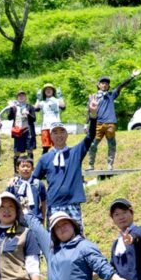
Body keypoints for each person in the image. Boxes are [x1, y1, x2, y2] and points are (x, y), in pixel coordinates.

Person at [33, 95, 100, 224]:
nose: (59, 135)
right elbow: (34, 179)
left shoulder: (75, 152)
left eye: (62, 132)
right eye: (55, 132)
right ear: (51, 136)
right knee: (54, 241)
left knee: (76, 239)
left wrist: (93, 114)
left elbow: (91, 135)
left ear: (67, 134)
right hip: (53, 204)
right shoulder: (45, 158)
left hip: (72, 204)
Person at [87, 69, 141, 171]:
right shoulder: (93, 97)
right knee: (93, 144)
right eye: (102, 83)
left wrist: (132, 76)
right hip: (97, 124)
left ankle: (110, 165)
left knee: (112, 145)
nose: (104, 85)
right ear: (98, 85)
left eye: (106, 83)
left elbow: (121, 85)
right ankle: (90, 165)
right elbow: (89, 111)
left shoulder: (111, 95)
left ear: (108, 86)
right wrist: (87, 124)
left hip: (110, 124)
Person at [0, 90, 37, 166]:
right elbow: (9, 118)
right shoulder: (14, 107)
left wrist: (28, 114)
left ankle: (30, 169)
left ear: (25, 97)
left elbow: (34, 119)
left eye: (23, 95)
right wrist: (11, 108)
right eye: (19, 96)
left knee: (30, 150)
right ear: (17, 98)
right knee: (17, 152)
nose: (21, 97)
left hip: (28, 130)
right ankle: (16, 171)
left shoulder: (30, 106)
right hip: (18, 131)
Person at [35, 84, 65, 155]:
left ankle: (59, 163)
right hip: (45, 127)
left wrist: (60, 97)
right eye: (46, 89)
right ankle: (44, 164)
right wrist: (38, 99)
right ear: (44, 92)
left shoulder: (57, 100)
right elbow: (35, 108)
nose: (48, 91)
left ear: (53, 91)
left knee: (58, 145)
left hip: (56, 126)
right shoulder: (42, 102)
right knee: (45, 147)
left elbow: (63, 106)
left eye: (50, 89)